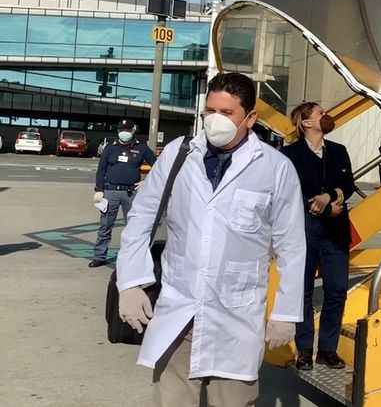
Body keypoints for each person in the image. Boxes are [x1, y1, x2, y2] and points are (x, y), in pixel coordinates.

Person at [115, 72, 306, 406]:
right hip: (179, 311)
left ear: (250, 118)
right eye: (210, 111)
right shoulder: (178, 154)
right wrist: (130, 282)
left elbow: (291, 246)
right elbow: (141, 217)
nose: (215, 120)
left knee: (232, 402)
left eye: (227, 113)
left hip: (235, 317)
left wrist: (286, 313)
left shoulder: (275, 167)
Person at [280, 102, 356, 371]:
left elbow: (348, 184)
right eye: (320, 113)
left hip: (335, 231)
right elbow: (290, 191)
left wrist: (331, 197)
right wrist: (323, 207)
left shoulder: (338, 151)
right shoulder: (289, 154)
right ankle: (304, 350)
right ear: (306, 123)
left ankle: (327, 350)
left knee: (337, 289)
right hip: (305, 229)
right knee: (304, 291)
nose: (326, 116)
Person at [89, 118, 156, 268]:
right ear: (118, 131)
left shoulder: (142, 147)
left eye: (128, 130)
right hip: (110, 191)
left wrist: (147, 182)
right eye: (122, 130)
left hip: (131, 193)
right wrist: (99, 190)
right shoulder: (110, 148)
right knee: (105, 226)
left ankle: (132, 257)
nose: (125, 132)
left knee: (133, 227)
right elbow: (101, 170)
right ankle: (99, 256)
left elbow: (158, 166)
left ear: (133, 131)